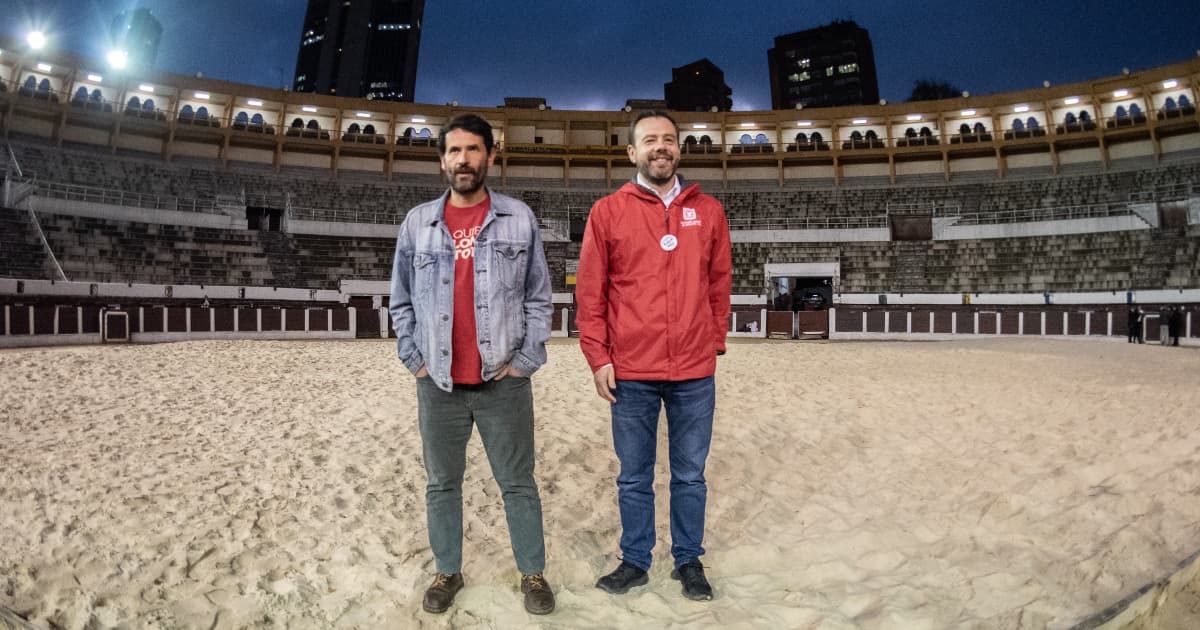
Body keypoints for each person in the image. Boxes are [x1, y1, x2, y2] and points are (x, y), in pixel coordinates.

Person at [388, 114, 555, 616]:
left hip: (502, 380)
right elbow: (400, 301)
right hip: (437, 382)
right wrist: (414, 359)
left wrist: (526, 361)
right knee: (442, 482)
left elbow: (539, 298)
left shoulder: (519, 218)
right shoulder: (418, 222)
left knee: (518, 482)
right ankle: (448, 570)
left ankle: (533, 574)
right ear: (442, 159)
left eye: (473, 150)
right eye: (454, 151)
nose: (464, 159)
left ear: (491, 155)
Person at [575, 110, 732, 602]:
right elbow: (591, 294)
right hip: (631, 371)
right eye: (649, 141)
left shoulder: (709, 211)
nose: (660, 147)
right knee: (633, 475)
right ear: (632, 152)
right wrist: (598, 357)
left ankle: (688, 559)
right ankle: (636, 560)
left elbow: (720, 282)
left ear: (679, 149)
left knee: (689, 474)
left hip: (693, 371)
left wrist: (714, 340)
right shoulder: (607, 212)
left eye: (668, 140)